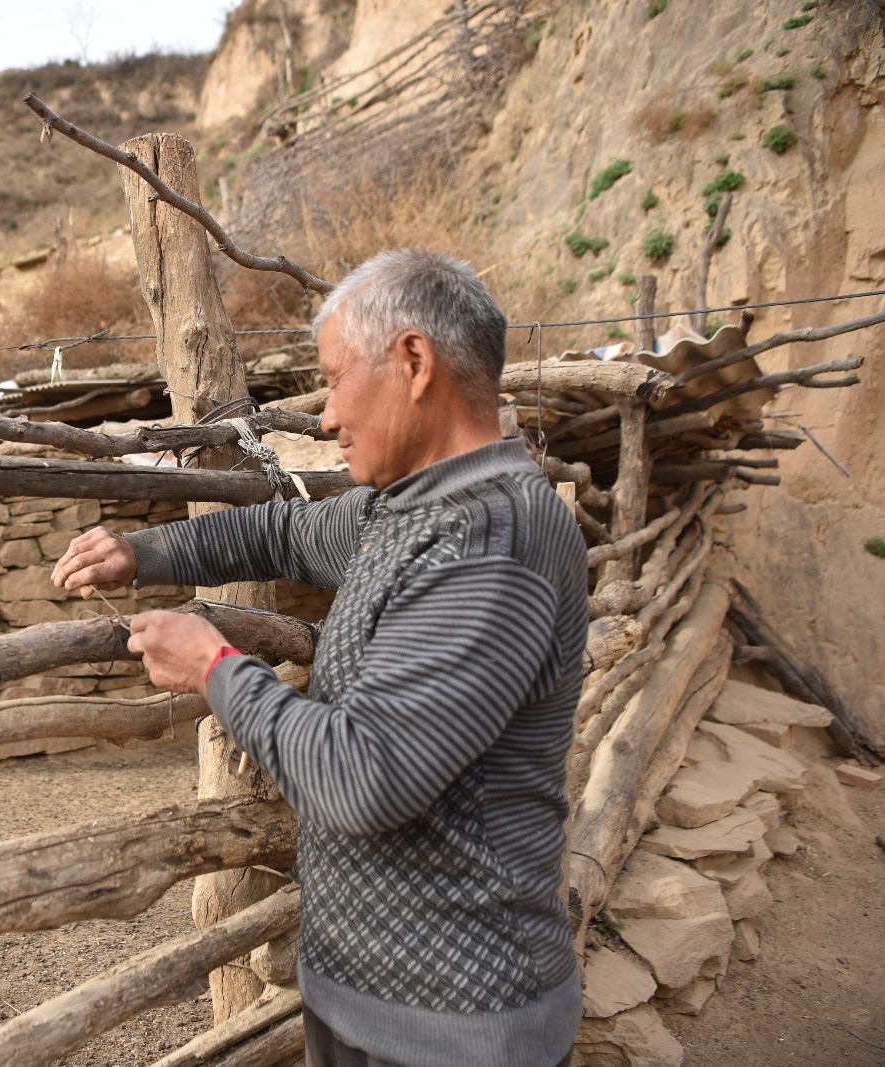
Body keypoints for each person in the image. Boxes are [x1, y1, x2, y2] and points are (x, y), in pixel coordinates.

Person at [50, 249, 587, 1067]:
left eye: (335, 379)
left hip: (452, 1026)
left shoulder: (489, 544)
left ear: (413, 362)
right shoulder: (404, 511)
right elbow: (278, 532)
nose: (327, 416)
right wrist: (139, 550)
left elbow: (364, 778)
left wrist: (214, 668)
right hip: (381, 1002)